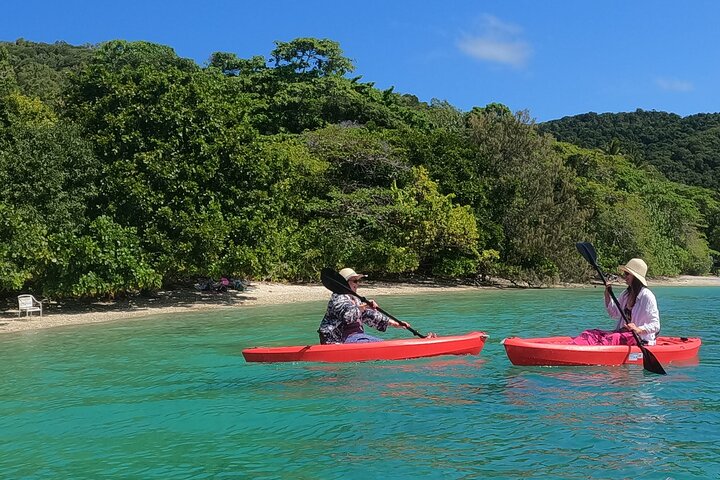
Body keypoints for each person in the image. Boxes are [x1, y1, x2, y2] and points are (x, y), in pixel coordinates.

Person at [572, 258, 660, 346]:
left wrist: (638, 329)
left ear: (635, 277)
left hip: (638, 338)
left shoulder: (647, 296)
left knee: (612, 338)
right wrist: (607, 294)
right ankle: (574, 345)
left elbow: (656, 325)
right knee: (590, 333)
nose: (624, 276)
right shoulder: (626, 294)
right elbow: (614, 313)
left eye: (627, 273)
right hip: (622, 333)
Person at [317, 268, 409, 344]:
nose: (358, 284)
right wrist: (364, 306)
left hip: (356, 338)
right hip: (340, 340)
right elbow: (347, 316)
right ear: (345, 283)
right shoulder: (337, 298)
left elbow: (368, 315)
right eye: (355, 281)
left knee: (370, 341)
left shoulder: (354, 299)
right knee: (376, 343)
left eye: (358, 281)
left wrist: (394, 323)